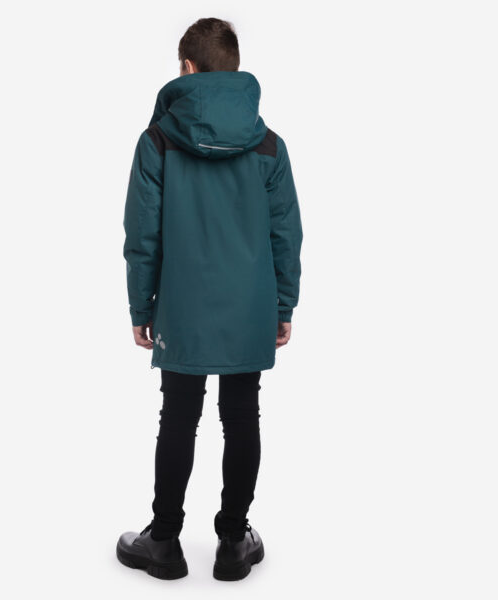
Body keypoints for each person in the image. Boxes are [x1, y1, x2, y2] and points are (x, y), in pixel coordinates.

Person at [116, 17, 303, 581]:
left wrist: (141, 307)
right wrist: (283, 306)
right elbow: (285, 233)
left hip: (182, 304)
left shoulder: (157, 141)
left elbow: (142, 233)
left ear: (188, 68)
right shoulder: (269, 145)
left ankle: (164, 543)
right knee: (242, 415)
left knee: (178, 415)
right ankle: (233, 543)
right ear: (234, 69)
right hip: (250, 304)